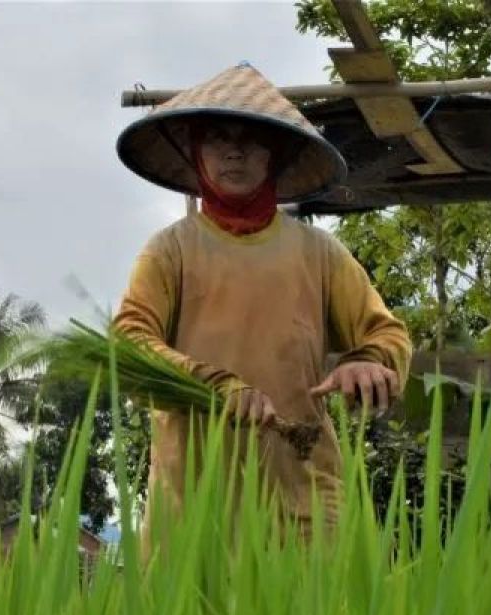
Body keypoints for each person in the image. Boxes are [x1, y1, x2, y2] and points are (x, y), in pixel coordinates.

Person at [112, 64, 412, 556]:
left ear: (276, 155)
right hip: (193, 501)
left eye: (252, 140)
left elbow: (388, 335)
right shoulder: (170, 251)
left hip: (302, 495)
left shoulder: (319, 253)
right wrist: (214, 384)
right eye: (218, 138)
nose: (234, 150)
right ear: (196, 152)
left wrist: (369, 363)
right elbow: (129, 345)